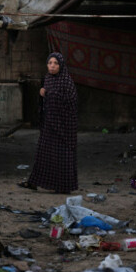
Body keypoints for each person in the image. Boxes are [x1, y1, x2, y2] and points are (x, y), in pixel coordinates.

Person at [19, 52, 78, 194]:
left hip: (63, 127)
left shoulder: (66, 81)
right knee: (44, 153)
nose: (52, 66)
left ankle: (63, 186)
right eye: (50, 63)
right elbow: (46, 102)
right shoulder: (48, 79)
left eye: (56, 63)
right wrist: (43, 95)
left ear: (61, 65)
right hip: (49, 124)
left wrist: (47, 94)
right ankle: (34, 182)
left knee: (62, 155)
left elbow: (70, 102)